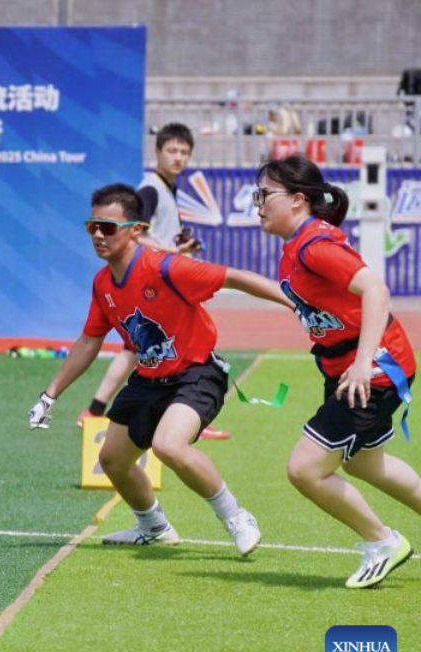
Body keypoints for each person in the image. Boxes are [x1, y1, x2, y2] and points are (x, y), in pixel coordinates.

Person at [28, 183, 291, 556]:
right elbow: (89, 341)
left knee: (169, 446)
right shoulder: (103, 283)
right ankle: (154, 527)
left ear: (136, 229)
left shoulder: (164, 267)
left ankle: (236, 517)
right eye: (93, 227)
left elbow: (235, 277)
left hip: (197, 373)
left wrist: (293, 303)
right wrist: (49, 394)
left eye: (109, 227)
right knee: (112, 460)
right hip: (149, 380)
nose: (99, 236)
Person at [257, 154, 421, 588]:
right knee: (366, 464)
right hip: (349, 368)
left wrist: (364, 362)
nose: (257, 204)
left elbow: (376, 289)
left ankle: (382, 541)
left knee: (304, 469)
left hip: (373, 369)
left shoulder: (315, 245)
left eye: (264, 195)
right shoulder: (297, 244)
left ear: (296, 200)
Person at [77, 123, 230, 441]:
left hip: (158, 281)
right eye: (172, 151)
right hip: (147, 280)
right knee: (138, 348)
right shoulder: (149, 190)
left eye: (184, 152)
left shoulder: (168, 187)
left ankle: (186, 411)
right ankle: (96, 409)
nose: (178, 157)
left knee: (140, 348)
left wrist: (179, 249)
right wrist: (173, 251)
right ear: (157, 152)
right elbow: (137, 233)